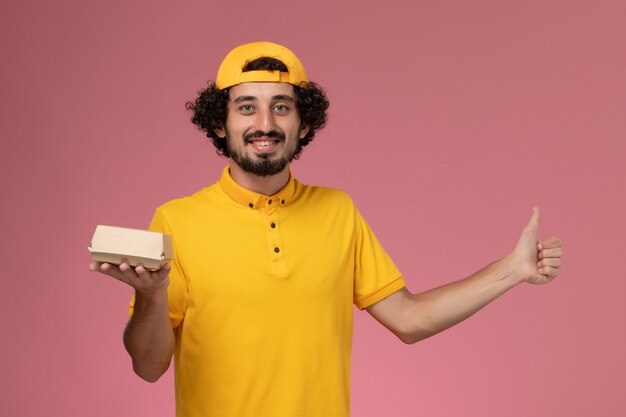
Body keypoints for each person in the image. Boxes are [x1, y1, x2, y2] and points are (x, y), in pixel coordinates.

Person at [89, 41, 563, 417]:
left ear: (303, 123)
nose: (265, 123)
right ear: (220, 123)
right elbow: (149, 366)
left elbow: (410, 319)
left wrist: (512, 270)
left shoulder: (339, 212)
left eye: (281, 106)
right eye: (246, 107)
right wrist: (151, 295)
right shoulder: (178, 220)